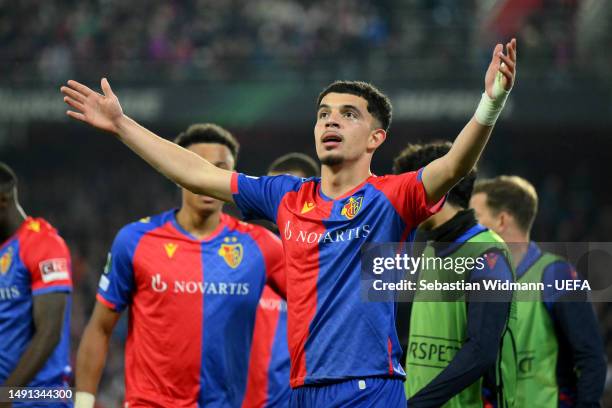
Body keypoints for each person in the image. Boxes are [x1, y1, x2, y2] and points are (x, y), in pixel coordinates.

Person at [62, 38, 517, 407]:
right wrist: (124, 126)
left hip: (369, 388)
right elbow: (195, 172)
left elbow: (455, 165)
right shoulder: (286, 197)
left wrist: (491, 102)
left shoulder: (391, 197)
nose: (330, 121)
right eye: (323, 114)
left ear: (376, 137)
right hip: (302, 391)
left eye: (348, 114)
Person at [74, 124, 286, 408]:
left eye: (220, 168)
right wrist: (84, 402)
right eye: (197, 165)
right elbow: (100, 327)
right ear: (177, 172)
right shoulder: (135, 240)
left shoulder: (262, 246)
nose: (208, 176)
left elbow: (320, 296)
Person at [392, 142, 516, 408]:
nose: (402, 202)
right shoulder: (428, 252)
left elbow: (481, 351)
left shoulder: (488, 253)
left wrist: (417, 405)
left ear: (436, 189)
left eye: (408, 190)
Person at [470, 175, 606, 407]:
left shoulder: (557, 275)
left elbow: (591, 359)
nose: (469, 229)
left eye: (476, 218)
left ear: (502, 221)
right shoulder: (481, 283)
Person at [243, 153, 318, 408]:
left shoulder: (333, 258)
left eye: (294, 193)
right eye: (274, 194)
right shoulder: (240, 258)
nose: (283, 204)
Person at [0, 162, 72, 408]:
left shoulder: (43, 244)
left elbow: (49, 332)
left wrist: (5, 396)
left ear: (2, 200)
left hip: (41, 398)